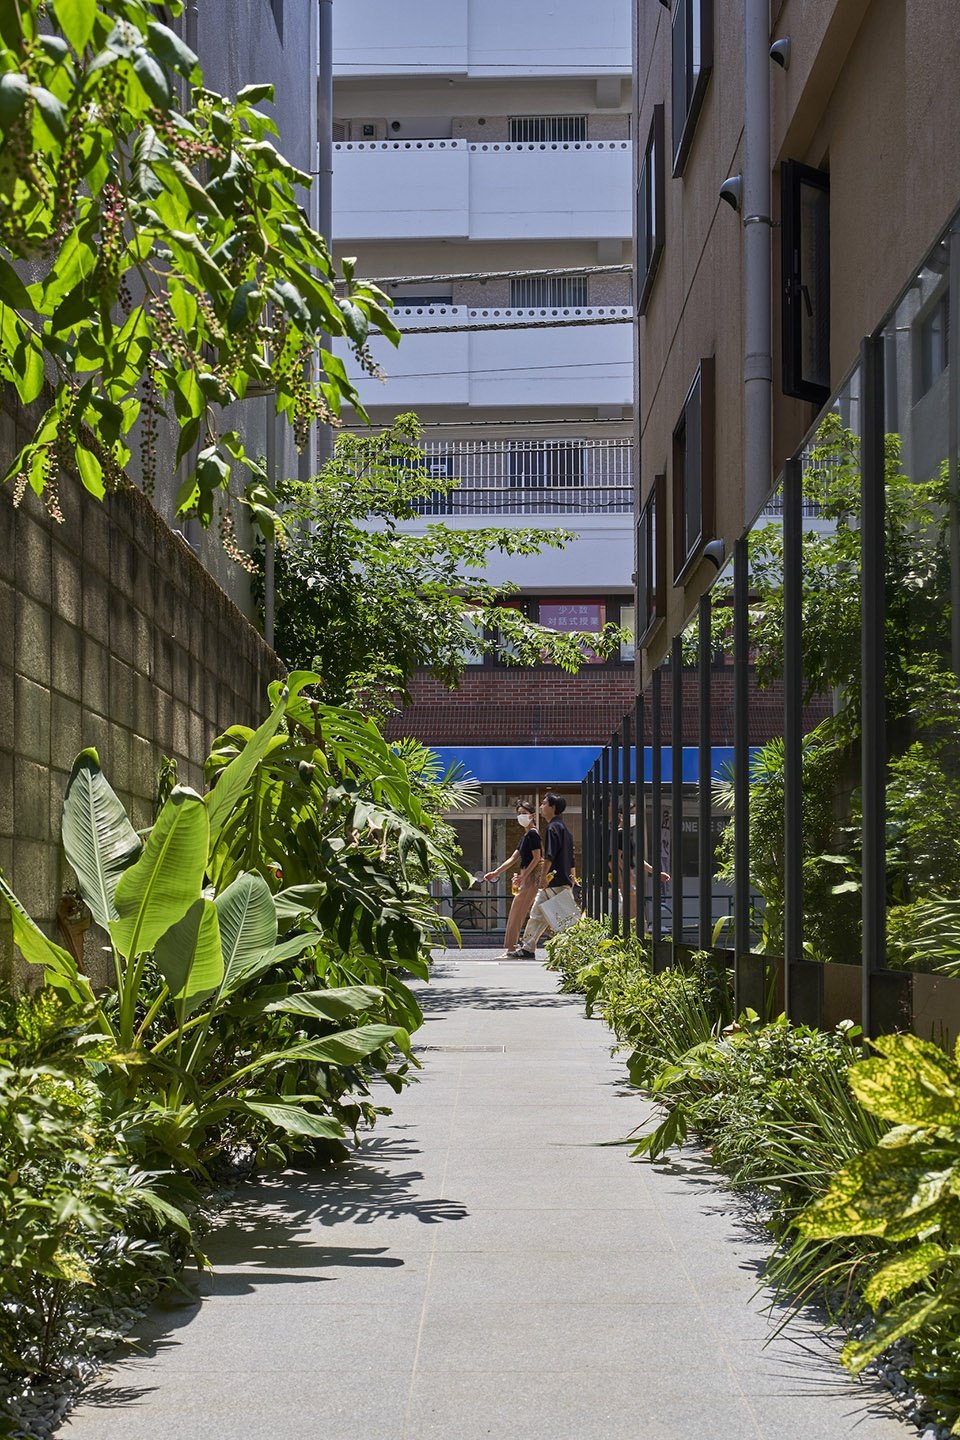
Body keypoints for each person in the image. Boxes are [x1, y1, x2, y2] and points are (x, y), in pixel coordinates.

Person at [515, 791, 576, 959]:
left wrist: (542, 877)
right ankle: (527, 947)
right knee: (537, 914)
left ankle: (573, 951)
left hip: (553, 881)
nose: (541, 806)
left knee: (565, 920)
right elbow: (572, 857)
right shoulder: (564, 829)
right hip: (559, 880)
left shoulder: (552, 828)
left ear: (553, 807)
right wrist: (573, 876)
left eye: (544, 804)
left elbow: (549, 855)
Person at [483, 803, 542, 959]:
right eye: (519, 813)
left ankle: (512, 948)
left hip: (530, 877)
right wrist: (495, 872)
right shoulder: (525, 836)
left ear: (532, 815)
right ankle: (514, 947)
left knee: (518, 911)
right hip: (525, 876)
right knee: (519, 911)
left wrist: (524, 876)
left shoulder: (533, 834)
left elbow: (537, 858)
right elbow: (513, 858)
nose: (520, 816)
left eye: (524, 813)